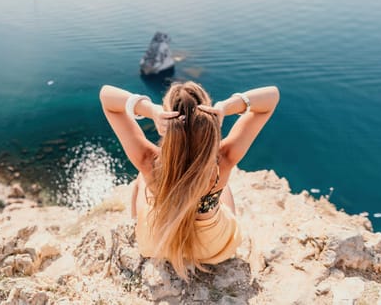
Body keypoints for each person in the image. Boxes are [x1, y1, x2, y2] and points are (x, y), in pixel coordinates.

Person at [99, 81, 279, 280]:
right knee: (223, 188)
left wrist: (151, 110)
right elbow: (271, 97)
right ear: (208, 115)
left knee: (141, 179)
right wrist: (225, 107)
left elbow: (107, 97)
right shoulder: (223, 159)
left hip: (158, 244)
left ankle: (136, 224)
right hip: (214, 248)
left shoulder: (149, 161)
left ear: (167, 119)